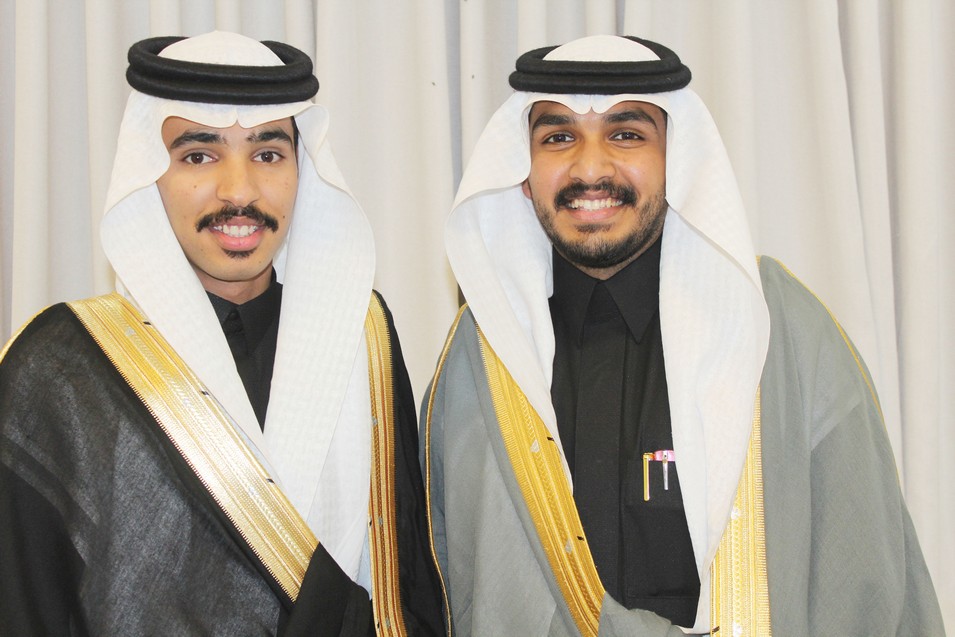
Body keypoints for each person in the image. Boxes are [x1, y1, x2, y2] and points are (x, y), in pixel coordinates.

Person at [421, 34, 944, 636]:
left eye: (626, 134)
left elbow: (868, 587)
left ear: (680, 159)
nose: (590, 168)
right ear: (523, 173)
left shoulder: (783, 335)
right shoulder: (479, 358)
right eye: (558, 137)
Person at [0, 31, 443, 636]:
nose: (239, 191)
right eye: (199, 156)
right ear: (149, 173)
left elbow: (406, 583)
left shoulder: (360, 336)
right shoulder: (61, 366)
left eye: (268, 154)